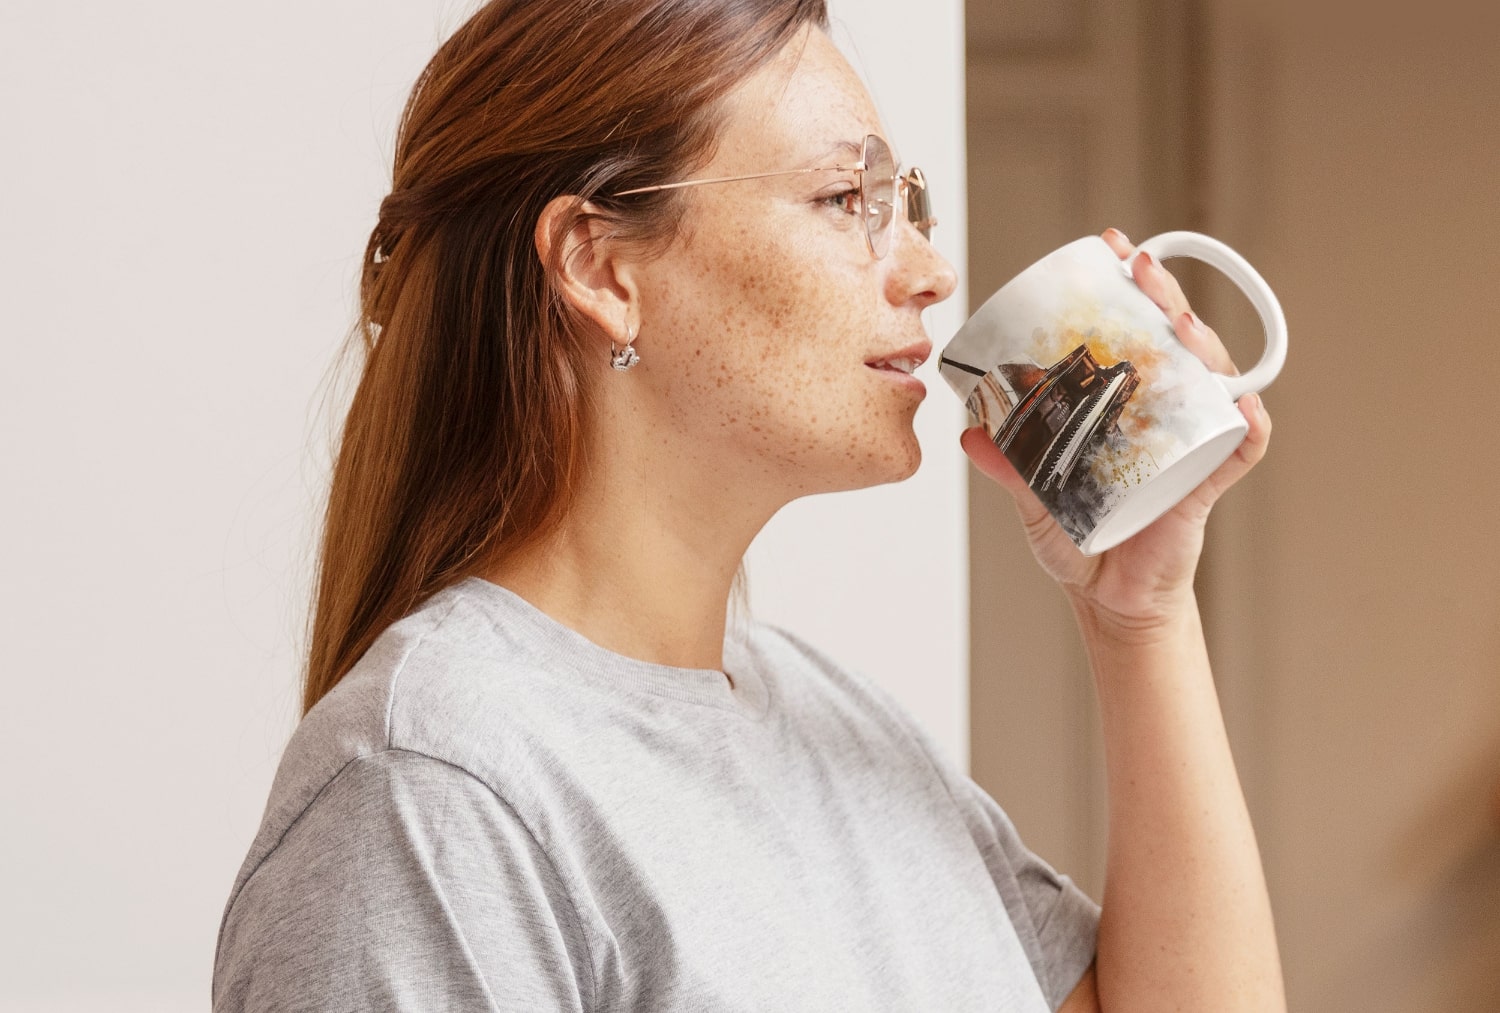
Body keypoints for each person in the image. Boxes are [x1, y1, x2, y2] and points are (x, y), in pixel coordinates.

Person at [212, 0, 1285, 1009]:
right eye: (844, 200)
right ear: (602, 267)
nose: (929, 269)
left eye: (902, 203)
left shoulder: (837, 717)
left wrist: (1140, 617)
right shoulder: (430, 789)